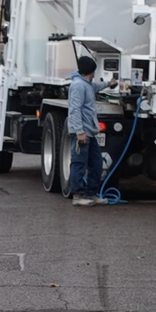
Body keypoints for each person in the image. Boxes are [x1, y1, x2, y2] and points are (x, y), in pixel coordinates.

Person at [66, 55, 103, 207]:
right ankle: (78, 195)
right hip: (82, 132)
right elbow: (75, 109)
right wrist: (79, 132)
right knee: (79, 163)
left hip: (90, 131)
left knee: (97, 163)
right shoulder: (78, 86)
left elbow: (95, 88)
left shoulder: (86, 84)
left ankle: (91, 193)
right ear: (91, 71)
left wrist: (110, 84)